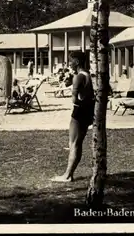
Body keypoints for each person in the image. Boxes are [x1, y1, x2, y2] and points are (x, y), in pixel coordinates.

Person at [52, 51, 95, 182]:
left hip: (79, 111)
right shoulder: (87, 74)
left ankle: (67, 175)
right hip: (87, 111)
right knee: (77, 143)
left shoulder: (78, 77)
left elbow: (74, 100)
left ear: (76, 62)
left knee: (74, 144)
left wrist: (72, 88)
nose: (69, 64)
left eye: (71, 61)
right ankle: (69, 174)